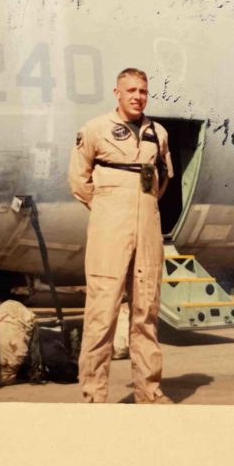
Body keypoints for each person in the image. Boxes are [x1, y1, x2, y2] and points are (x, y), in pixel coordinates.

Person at [68, 68, 174, 404]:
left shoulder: (158, 133)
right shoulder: (95, 130)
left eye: (143, 91)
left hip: (147, 230)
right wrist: (108, 207)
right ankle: (94, 395)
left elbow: (163, 180)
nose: (137, 96)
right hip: (109, 230)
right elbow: (78, 180)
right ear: (116, 92)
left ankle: (149, 392)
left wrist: (141, 206)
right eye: (131, 90)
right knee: (102, 313)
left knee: (146, 313)